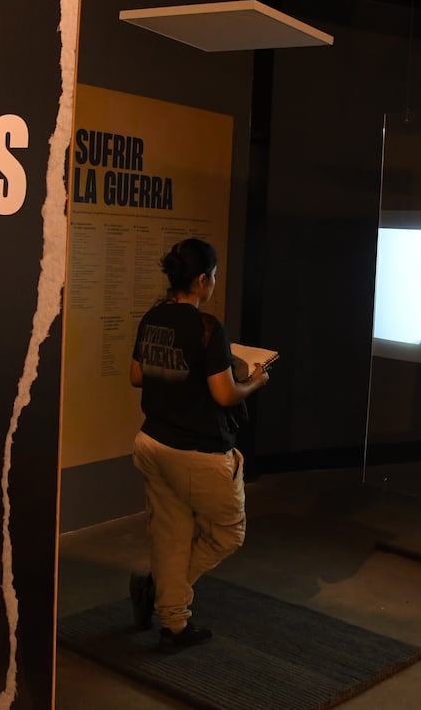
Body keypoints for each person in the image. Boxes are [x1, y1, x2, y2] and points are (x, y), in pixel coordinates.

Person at [128, 237, 270, 649]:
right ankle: (160, 592)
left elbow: (136, 376)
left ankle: (173, 621)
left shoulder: (152, 318)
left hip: (152, 444)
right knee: (228, 533)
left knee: (171, 535)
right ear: (203, 280)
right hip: (196, 453)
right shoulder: (208, 328)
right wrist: (254, 381)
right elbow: (225, 395)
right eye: (215, 276)